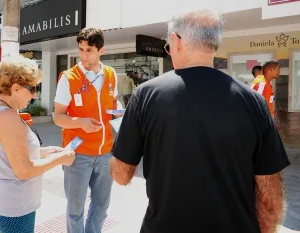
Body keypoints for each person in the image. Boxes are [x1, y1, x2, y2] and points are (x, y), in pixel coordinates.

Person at [110, 9, 290, 233]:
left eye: (168, 46)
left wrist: (125, 137)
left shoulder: (145, 95)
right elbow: (271, 196)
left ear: (176, 41)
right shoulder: (253, 102)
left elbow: (121, 175)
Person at [0, 56, 76, 233]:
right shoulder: (8, 117)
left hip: (4, 202)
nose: (34, 95)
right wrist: (60, 159)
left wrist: (44, 152)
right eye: (32, 88)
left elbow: (8, 153)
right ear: (15, 88)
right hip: (14, 207)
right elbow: (24, 170)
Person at [53, 27, 119, 233]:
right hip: (77, 154)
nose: (83, 55)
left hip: (106, 152)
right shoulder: (68, 77)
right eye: (81, 49)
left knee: (101, 207)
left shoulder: (111, 74)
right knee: (75, 210)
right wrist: (80, 122)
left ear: (101, 51)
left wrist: (119, 114)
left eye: (89, 50)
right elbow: (58, 117)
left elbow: (111, 107)